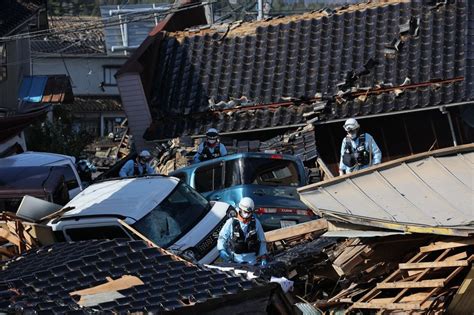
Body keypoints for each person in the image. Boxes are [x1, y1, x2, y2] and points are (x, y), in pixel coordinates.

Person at [217, 197, 268, 266]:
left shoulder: (256, 223)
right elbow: (222, 237)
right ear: (240, 209)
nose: (247, 214)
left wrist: (263, 257)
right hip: (235, 261)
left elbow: (262, 240)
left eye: (249, 212)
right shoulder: (231, 222)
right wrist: (221, 249)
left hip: (252, 262)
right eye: (245, 212)